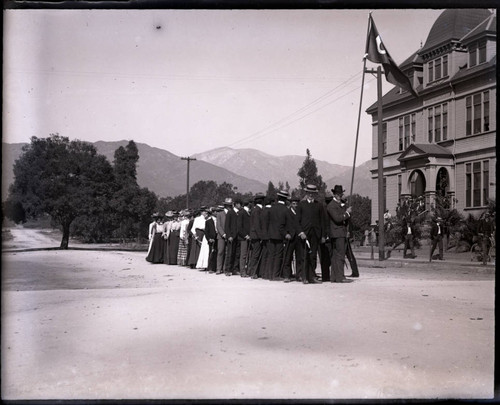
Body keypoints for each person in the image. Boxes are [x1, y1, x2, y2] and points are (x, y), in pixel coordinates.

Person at [296, 184, 324, 284]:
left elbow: (322, 221)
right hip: (304, 234)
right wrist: (300, 232)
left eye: (313, 193)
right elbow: (297, 221)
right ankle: (304, 277)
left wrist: (322, 235)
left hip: (315, 234)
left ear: (315, 194)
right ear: (306, 193)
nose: (311, 195)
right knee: (304, 256)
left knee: (313, 256)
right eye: (309, 193)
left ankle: (312, 276)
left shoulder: (319, 205)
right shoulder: (301, 205)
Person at [327, 185, 353, 283]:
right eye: (337, 194)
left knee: (335, 255)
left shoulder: (339, 205)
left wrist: (346, 211)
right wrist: (347, 213)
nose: (339, 195)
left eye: (340, 193)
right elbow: (338, 219)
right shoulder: (331, 205)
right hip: (337, 233)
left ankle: (334, 277)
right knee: (340, 255)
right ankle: (340, 276)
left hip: (340, 232)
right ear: (334, 194)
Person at [267, 190, 293, 281]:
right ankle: (276, 275)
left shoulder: (272, 208)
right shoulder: (286, 209)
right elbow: (287, 224)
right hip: (280, 235)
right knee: (278, 255)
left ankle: (270, 275)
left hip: (271, 234)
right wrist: (286, 234)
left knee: (271, 255)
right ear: (286, 199)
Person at [283, 196, 302, 282]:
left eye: (297, 204)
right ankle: (287, 276)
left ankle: (299, 275)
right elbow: (281, 225)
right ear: (290, 204)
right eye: (293, 204)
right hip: (290, 238)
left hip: (298, 237)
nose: (295, 205)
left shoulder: (300, 212)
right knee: (287, 257)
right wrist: (285, 234)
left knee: (299, 257)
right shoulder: (286, 212)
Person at [248, 193, 265, 279]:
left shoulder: (255, 209)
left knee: (255, 254)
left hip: (254, 235)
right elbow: (257, 225)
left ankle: (255, 272)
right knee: (256, 254)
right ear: (261, 201)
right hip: (257, 236)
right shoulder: (258, 210)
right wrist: (261, 237)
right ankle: (253, 272)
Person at [319, 191, 334, 281]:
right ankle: (330, 275)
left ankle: (326, 276)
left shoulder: (323, 208)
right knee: (330, 257)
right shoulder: (331, 208)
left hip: (324, 236)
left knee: (324, 257)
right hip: (330, 235)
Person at [223, 198, 238, 276]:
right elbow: (227, 226)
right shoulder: (230, 213)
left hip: (234, 236)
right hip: (231, 236)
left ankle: (232, 269)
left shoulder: (232, 212)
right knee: (229, 253)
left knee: (233, 253)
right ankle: (227, 269)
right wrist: (229, 236)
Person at [238, 200, 252, 277]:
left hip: (249, 237)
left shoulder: (248, 213)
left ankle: (248, 271)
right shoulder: (242, 213)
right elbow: (239, 227)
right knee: (243, 255)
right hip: (243, 238)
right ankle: (242, 271)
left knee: (249, 254)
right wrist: (245, 235)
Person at [215, 201, 229, 274]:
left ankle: (225, 268)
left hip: (229, 236)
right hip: (221, 236)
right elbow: (218, 226)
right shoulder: (220, 214)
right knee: (220, 252)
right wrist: (223, 234)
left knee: (227, 252)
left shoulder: (231, 214)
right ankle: (218, 268)